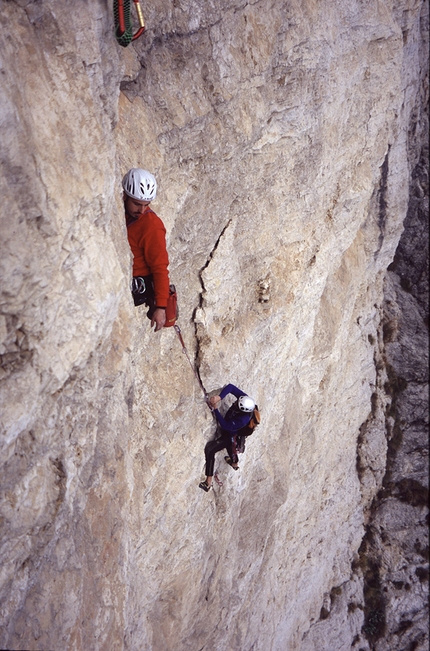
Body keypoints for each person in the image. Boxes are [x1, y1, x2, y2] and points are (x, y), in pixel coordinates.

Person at [122, 168, 170, 332]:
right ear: (125, 196)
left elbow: (160, 267)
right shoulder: (120, 211)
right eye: (136, 204)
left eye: (146, 205)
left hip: (136, 286)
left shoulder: (152, 226)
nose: (141, 211)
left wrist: (161, 307)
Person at [199, 383, 256, 492]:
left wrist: (215, 409)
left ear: (243, 410)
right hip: (232, 430)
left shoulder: (243, 419)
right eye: (236, 402)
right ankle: (234, 463)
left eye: (237, 405)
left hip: (231, 433)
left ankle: (208, 482)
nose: (234, 403)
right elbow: (231, 387)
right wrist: (219, 397)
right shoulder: (245, 400)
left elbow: (225, 425)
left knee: (211, 449)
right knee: (231, 447)